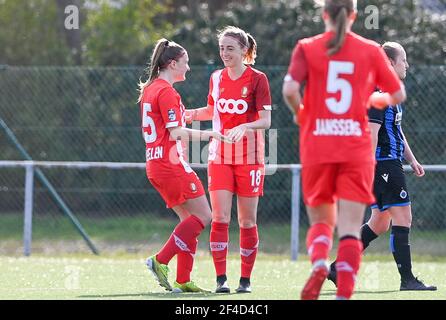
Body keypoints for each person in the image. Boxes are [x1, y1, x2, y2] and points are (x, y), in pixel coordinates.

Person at [282, 0, 406, 300]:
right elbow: (397, 93)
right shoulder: (370, 50)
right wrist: (374, 101)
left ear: (324, 14)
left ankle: (321, 262)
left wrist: (302, 114)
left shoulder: (307, 46)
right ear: (353, 15)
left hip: (318, 145)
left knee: (322, 222)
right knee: (350, 229)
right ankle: (344, 292)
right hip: (356, 148)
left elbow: (288, 90)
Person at [326, 42, 437, 291]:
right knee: (403, 217)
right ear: (389, 63)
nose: (406, 64)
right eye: (403, 60)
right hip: (382, 164)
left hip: (389, 162)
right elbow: (371, 134)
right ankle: (407, 280)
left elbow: (396, 129)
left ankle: (337, 267)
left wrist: (411, 159)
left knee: (380, 223)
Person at [138, 38, 231, 293]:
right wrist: (211, 134)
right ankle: (160, 260)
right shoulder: (166, 91)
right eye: (185, 63)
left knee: (190, 221)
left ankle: (183, 280)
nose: (188, 68)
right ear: (172, 63)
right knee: (205, 216)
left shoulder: (152, 88)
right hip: (170, 165)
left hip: (156, 164)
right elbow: (176, 131)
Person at [185, 26, 272, 293]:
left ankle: (245, 281)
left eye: (230, 48)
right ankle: (220, 279)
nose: (224, 53)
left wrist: (245, 127)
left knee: (247, 221)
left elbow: (266, 121)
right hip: (219, 156)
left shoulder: (258, 79)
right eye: (222, 48)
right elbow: (212, 110)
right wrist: (187, 114)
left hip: (250, 157)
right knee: (220, 218)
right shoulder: (216, 78)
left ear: (244, 51)